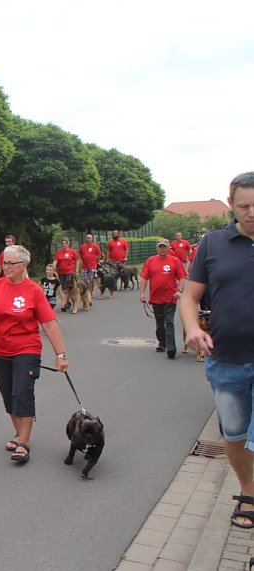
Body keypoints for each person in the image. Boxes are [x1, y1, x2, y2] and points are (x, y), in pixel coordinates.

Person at [180, 171, 254, 529]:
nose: (252, 212)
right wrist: (193, 327)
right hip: (226, 361)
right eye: (245, 206)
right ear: (231, 205)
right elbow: (190, 297)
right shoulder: (212, 243)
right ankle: (249, 492)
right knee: (236, 435)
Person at [0, 245, 69, 464]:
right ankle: (19, 433)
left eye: (10, 263)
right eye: (4, 263)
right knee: (8, 394)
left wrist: (60, 354)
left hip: (27, 349)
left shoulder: (33, 290)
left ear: (23, 265)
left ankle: (24, 443)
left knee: (22, 392)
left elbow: (50, 325)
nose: (5, 266)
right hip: (0, 351)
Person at [138, 239, 187, 359]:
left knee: (169, 322)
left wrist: (179, 291)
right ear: (156, 248)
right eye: (160, 247)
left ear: (168, 248)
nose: (162, 249)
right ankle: (162, 343)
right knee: (160, 324)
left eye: (164, 247)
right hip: (155, 298)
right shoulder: (151, 261)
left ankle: (171, 347)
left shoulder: (174, 261)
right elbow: (144, 278)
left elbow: (182, 277)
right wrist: (142, 293)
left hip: (170, 297)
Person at [53, 238, 80, 312]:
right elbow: (56, 260)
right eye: (62, 243)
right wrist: (54, 265)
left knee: (67, 288)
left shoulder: (72, 251)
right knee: (62, 288)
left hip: (70, 272)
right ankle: (67, 302)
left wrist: (76, 270)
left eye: (65, 243)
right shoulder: (59, 252)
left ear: (68, 244)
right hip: (61, 272)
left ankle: (64, 304)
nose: (63, 245)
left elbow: (77, 260)